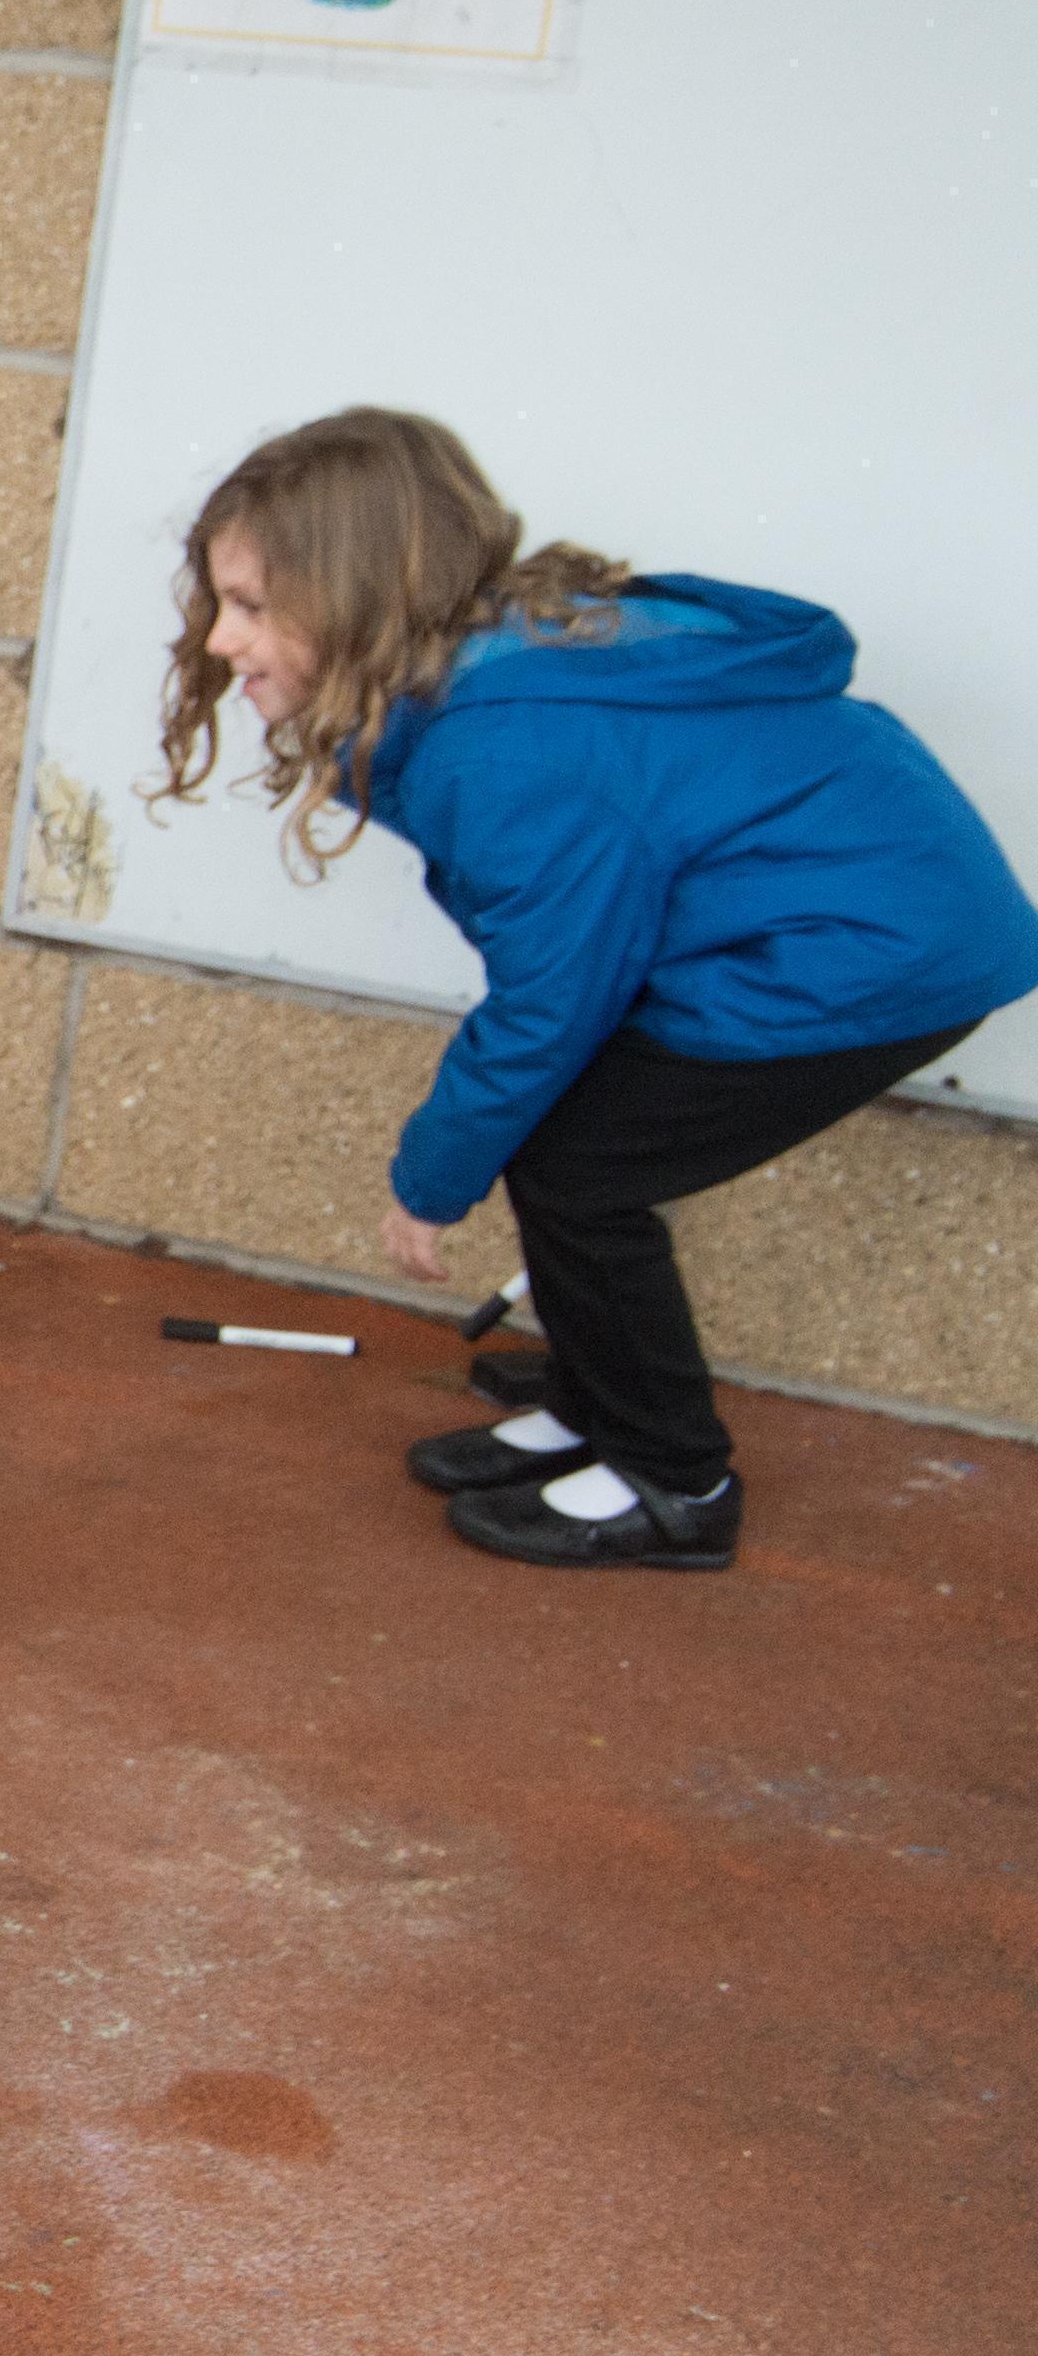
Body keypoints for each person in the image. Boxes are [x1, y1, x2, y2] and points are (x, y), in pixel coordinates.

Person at [160, 409, 1038, 1570]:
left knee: (580, 1172)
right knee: (567, 1140)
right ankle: (592, 1400)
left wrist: (429, 1181)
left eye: (250, 605)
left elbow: (550, 998)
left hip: (868, 950)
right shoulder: (480, 680)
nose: (218, 638)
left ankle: (674, 1481)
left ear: (356, 593)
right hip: (845, 920)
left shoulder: (504, 746)